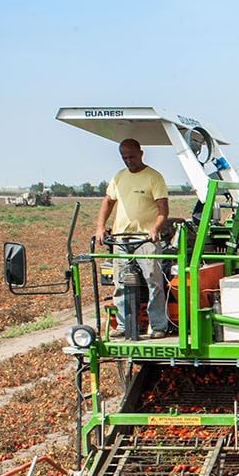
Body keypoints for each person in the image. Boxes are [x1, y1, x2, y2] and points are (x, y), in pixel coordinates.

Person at [94, 139, 170, 340]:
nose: (128, 161)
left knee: (153, 280)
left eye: (132, 157)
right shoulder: (119, 178)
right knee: (120, 282)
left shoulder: (154, 178)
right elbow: (107, 202)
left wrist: (155, 229)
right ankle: (123, 324)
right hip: (121, 239)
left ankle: (158, 325)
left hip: (145, 239)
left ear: (141, 154)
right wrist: (100, 228)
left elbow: (163, 209)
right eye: (124, 157)